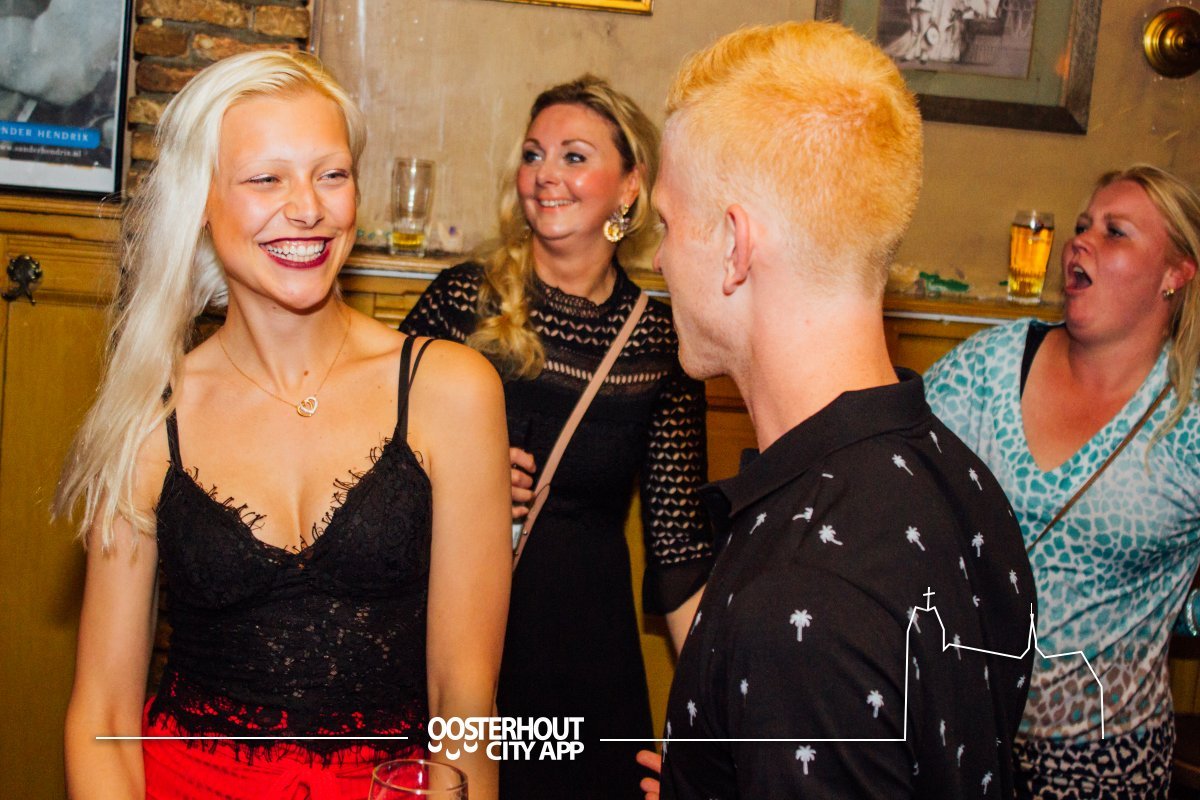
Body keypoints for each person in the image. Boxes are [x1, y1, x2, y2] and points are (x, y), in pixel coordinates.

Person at [56, 51, 511, 800]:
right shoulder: (148, 414)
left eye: (331, 174)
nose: (308, 208)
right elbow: (102, 712)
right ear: (201, 201)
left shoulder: (450, 391)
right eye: (266, 178)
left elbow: (463, 697)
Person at [640, 21, 1034, 799]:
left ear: (734, 247)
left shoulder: (800, 601)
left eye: (665, 224)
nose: (657, 258)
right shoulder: (959, 478)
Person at [400, 75, 713, 799]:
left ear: (630, 186)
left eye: (574, 156)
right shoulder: (463, 300)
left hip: (583, 653)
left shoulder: (660, 342)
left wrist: (722, 719)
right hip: (453, 628)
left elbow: (680, 553)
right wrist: (449, 478)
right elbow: (366, 452)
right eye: (534, 154)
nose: (546, 174)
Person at [925, 164, 1200, 798]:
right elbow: (889, 471)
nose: (1081, 241)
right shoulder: (993, 364)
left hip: (1106, 762)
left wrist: (1170, 611)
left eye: (1115, 232)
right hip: (962, 741)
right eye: (1083, 226)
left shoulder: (1188, 420)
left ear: (1175, 274)